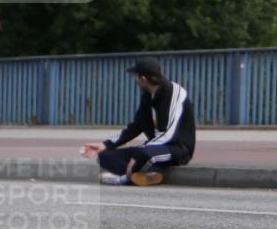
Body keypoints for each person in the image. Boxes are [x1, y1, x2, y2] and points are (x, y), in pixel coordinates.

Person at [81, 58, 195, 186]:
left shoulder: (175, 93)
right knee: (104, 156)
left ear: (143, 79)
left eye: (135, 76)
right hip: (153, 147)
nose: (134, 79)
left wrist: (139, 154)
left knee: (143, 154)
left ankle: (127, 177)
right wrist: (105, 145)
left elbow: (168, 136)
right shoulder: (147, 95)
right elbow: (136, 126)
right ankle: (141, 175)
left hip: (178, 149)